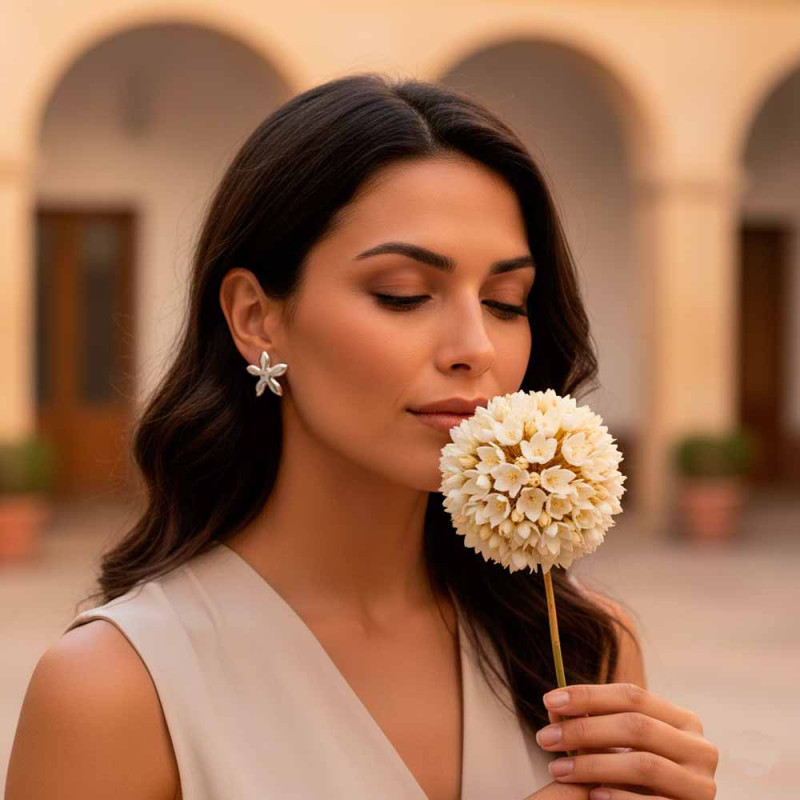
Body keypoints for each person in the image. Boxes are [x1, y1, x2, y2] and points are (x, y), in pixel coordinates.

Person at [5, 72, 719, 800]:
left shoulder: (579, 645)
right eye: (403, 294)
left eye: (507, 302)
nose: (475, 347)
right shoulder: (115, 691)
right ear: (256, 318)